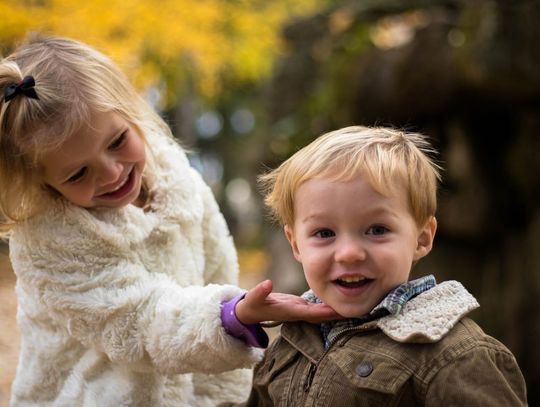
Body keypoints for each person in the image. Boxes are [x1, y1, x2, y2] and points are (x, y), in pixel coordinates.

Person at [0, 34, 338, 407]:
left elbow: (216, 266)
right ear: (42, 181)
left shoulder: (177, 181)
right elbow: (137, 323)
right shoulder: (49, 240)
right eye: (78, 174)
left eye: (116, 141)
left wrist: (223, 390)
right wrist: (229, 316)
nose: (111, 173)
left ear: (132, 112)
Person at [236, 126, 528, 406]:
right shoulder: (291, 341)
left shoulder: (454, 354)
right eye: (324, 233)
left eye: (377, 230)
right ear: (296, 244)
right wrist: (230, 319)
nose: (349, 254)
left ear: (422, 238)